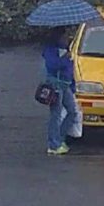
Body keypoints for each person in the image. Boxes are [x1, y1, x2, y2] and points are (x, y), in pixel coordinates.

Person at [43, 27, 77, 155]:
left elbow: (70, 68)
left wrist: (72, 84)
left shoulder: (66, 49)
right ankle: (53, 144)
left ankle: (59, 138)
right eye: (64, 36)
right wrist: (64, 59)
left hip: (65, 84)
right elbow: (52, 65)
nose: (66, 38)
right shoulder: (50, 50)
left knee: (72, 111)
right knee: (55, 115)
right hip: (55, 84)